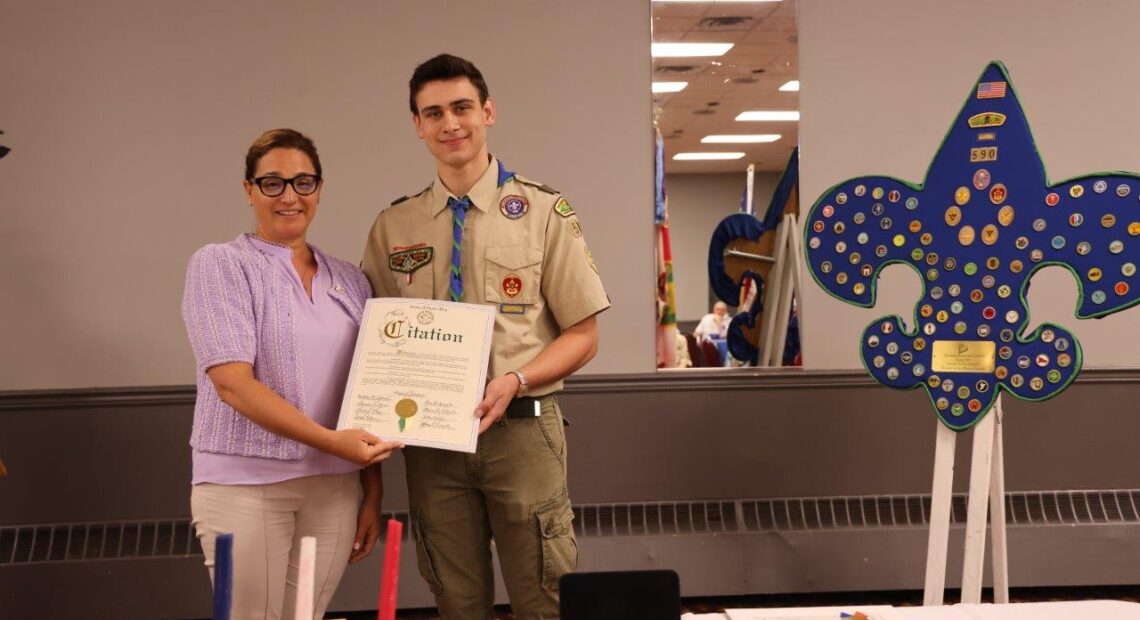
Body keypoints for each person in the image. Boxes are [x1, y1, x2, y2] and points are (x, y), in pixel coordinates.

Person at [361, 54, 610, 619]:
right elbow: (372, 336)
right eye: (434, 113)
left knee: (545, 595)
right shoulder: (394, 226)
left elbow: (584, 335)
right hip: (430, 444)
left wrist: (516, 379)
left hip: (521, 430)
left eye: (462, 107)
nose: (450, 123)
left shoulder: (544, 211)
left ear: (488, 112)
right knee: (455, 599)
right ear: (417, 125)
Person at [182, 128, 403, 620]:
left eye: (304, 183)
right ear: (248, 190)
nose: (290, 196)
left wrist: (373, 491)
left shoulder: (350, 279)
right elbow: (233, 385)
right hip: (244, 483)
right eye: (273, 183)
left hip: (335, 489)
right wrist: (331, 442)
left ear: (319, 190)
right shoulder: (221, 265)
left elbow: (364, 390)